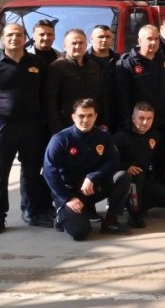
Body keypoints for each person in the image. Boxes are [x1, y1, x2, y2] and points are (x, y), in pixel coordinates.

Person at [0, 22, 51, 234]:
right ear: (3, 38)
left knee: (32, 173)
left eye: (18, 35)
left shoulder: (36, 63)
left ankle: (33, 212)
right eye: (9, 35)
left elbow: (45, 96)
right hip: (2, 129)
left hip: (32, 128)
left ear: (24, 38)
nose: (14, 38)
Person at [43, 98, 130, 239]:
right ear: (73, 117)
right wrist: (68, 198)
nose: (85, 120)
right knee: (80, 233)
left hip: (91, 188)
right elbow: (49, 171)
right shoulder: (60, 139)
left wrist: (92, 177)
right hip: (69, 191)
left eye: (90, 116)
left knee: (122, 176)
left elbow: (114, 162)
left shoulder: (103, 136)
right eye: (81, 116)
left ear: (95, 116)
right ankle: (62, 216)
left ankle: (110, 222)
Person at [113, 101, 165, 225]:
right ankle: (134, 215)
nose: (144, 123)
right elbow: (110, 162)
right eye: (141, 118)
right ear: (133, 118)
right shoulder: (119, 137)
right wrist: (126, 167)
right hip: (124, 180)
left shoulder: (155, 136)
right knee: (137, 174)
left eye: (149, 119)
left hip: (145, 178)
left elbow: (160, 160)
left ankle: (141, 207)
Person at [43, 28, 108, 133]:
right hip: (67, 128)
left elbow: (104, 96)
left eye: (81, 43)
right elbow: (51, 102)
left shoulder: (95, 66)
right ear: (65, 46)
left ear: (86, 45)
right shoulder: (56, 67)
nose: (77, 46)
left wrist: (104, 122)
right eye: (73, 43)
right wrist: (57, 130)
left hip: (94, 126)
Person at [114, 25, 165, 130]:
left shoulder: (164, 61)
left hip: (161, 121)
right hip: (139, 124)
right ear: (140, 41)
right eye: (149, 39)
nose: (154, 42)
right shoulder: (127, 64)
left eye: (156, 39)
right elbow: (122, 98)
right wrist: (127, 123)